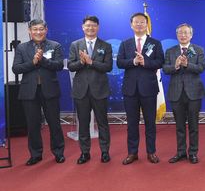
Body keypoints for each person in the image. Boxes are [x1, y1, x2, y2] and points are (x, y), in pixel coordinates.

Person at [12, 19, 65, 166]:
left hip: (50, 90)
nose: (38, 32)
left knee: (54, 124)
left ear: (46, 30)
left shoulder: (55, 46)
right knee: (33, 124)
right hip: (29, 92)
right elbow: (16, 68)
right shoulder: (22, 48)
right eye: (35, 29)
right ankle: (36, 154)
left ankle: (59, 152)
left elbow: (59, 65)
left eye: (41, 29)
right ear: (29, 31)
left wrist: (42, 61)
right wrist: (33, 62)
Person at [117, 12, 164, 165]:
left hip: (149, 88)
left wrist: (145, 62)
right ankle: (132, 152)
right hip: (130, 89)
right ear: (131, 25)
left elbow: (160, 62)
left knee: (150, 123)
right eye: (136, 22)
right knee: (132, 123)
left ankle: (151, 152)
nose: (139, 25)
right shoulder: (125, 43)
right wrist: (134, 61)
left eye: (142, 22)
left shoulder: (155, 43)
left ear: (146, 25)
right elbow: (119, 63)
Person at [67, 16, 113, 164]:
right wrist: (81, 62)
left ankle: (105, 152)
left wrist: (91, 62)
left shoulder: (105, 46)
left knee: (102, 123)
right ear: (83, 27)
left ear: (98, 27)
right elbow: (71, 66)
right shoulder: (75, 45)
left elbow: (108, 67)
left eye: (93, 25)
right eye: (87, 26)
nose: (90, 28)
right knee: (83, 123)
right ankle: (85, 153)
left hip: (99, 89)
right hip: (81, 91)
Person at [163, 23, 205, 164]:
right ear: (177, 35)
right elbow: (165, 69)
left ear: (191, 35)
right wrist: (175, 66)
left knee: (194, 125)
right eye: (180, 33)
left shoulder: (198, 49)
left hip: (194, 93)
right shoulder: (170, 51)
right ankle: (180, 152)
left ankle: (193, 153)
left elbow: (201, 68)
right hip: (176, 93)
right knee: (179, 126)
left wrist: (187, 65)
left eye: (186, 33)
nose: (183, 35)